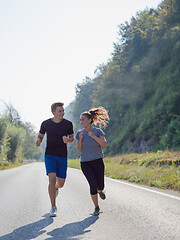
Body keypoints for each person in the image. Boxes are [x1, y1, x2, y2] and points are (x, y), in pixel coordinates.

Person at [36, 102, 74, 217]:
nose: (62, 113)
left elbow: (72, 138)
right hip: (50, 155)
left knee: (60, 183)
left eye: (63, 110)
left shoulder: (68, 124)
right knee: (52, 179)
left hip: (62, 155)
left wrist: (68, 140)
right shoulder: (46, 124)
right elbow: (40, 136)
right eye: (60, 111)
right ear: (53, 112)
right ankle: (53, 206)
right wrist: (38, 141)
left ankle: (56, 188)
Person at [76, 106, 109, 216]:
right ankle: (96, 207)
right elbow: (79, 150)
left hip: (98, 161)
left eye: (83, 120)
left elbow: (104, 145)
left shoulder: (98, 131)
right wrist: (80, 139)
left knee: (100, 185)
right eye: (80, 120)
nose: (81, 122)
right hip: (85, 163)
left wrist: (94, 137)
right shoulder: (79, 133)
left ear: (89, 120)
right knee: (92, 184)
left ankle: (100, 190)